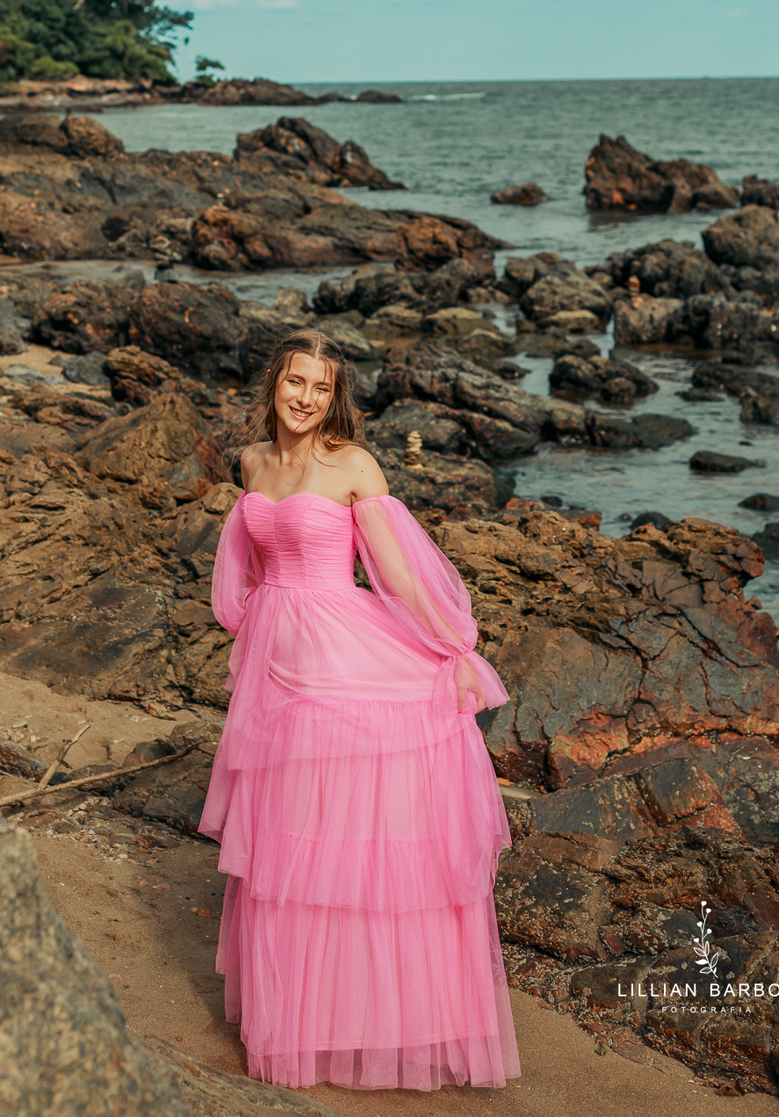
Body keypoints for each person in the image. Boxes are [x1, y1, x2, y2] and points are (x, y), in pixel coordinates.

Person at [198, 327, 520, 1092]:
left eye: (320, 387)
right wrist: (260, 626)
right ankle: (299, 1020)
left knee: (339, 841)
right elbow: (249, 571)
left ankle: (373, 1019)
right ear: (274, 384)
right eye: (295, 382)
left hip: (340, 659)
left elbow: (397, 573)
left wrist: (452, 645)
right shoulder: (252, 462)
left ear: (333, 397)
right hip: (275, 667)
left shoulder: (354, 466)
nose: (305, 398)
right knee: (288, 847)